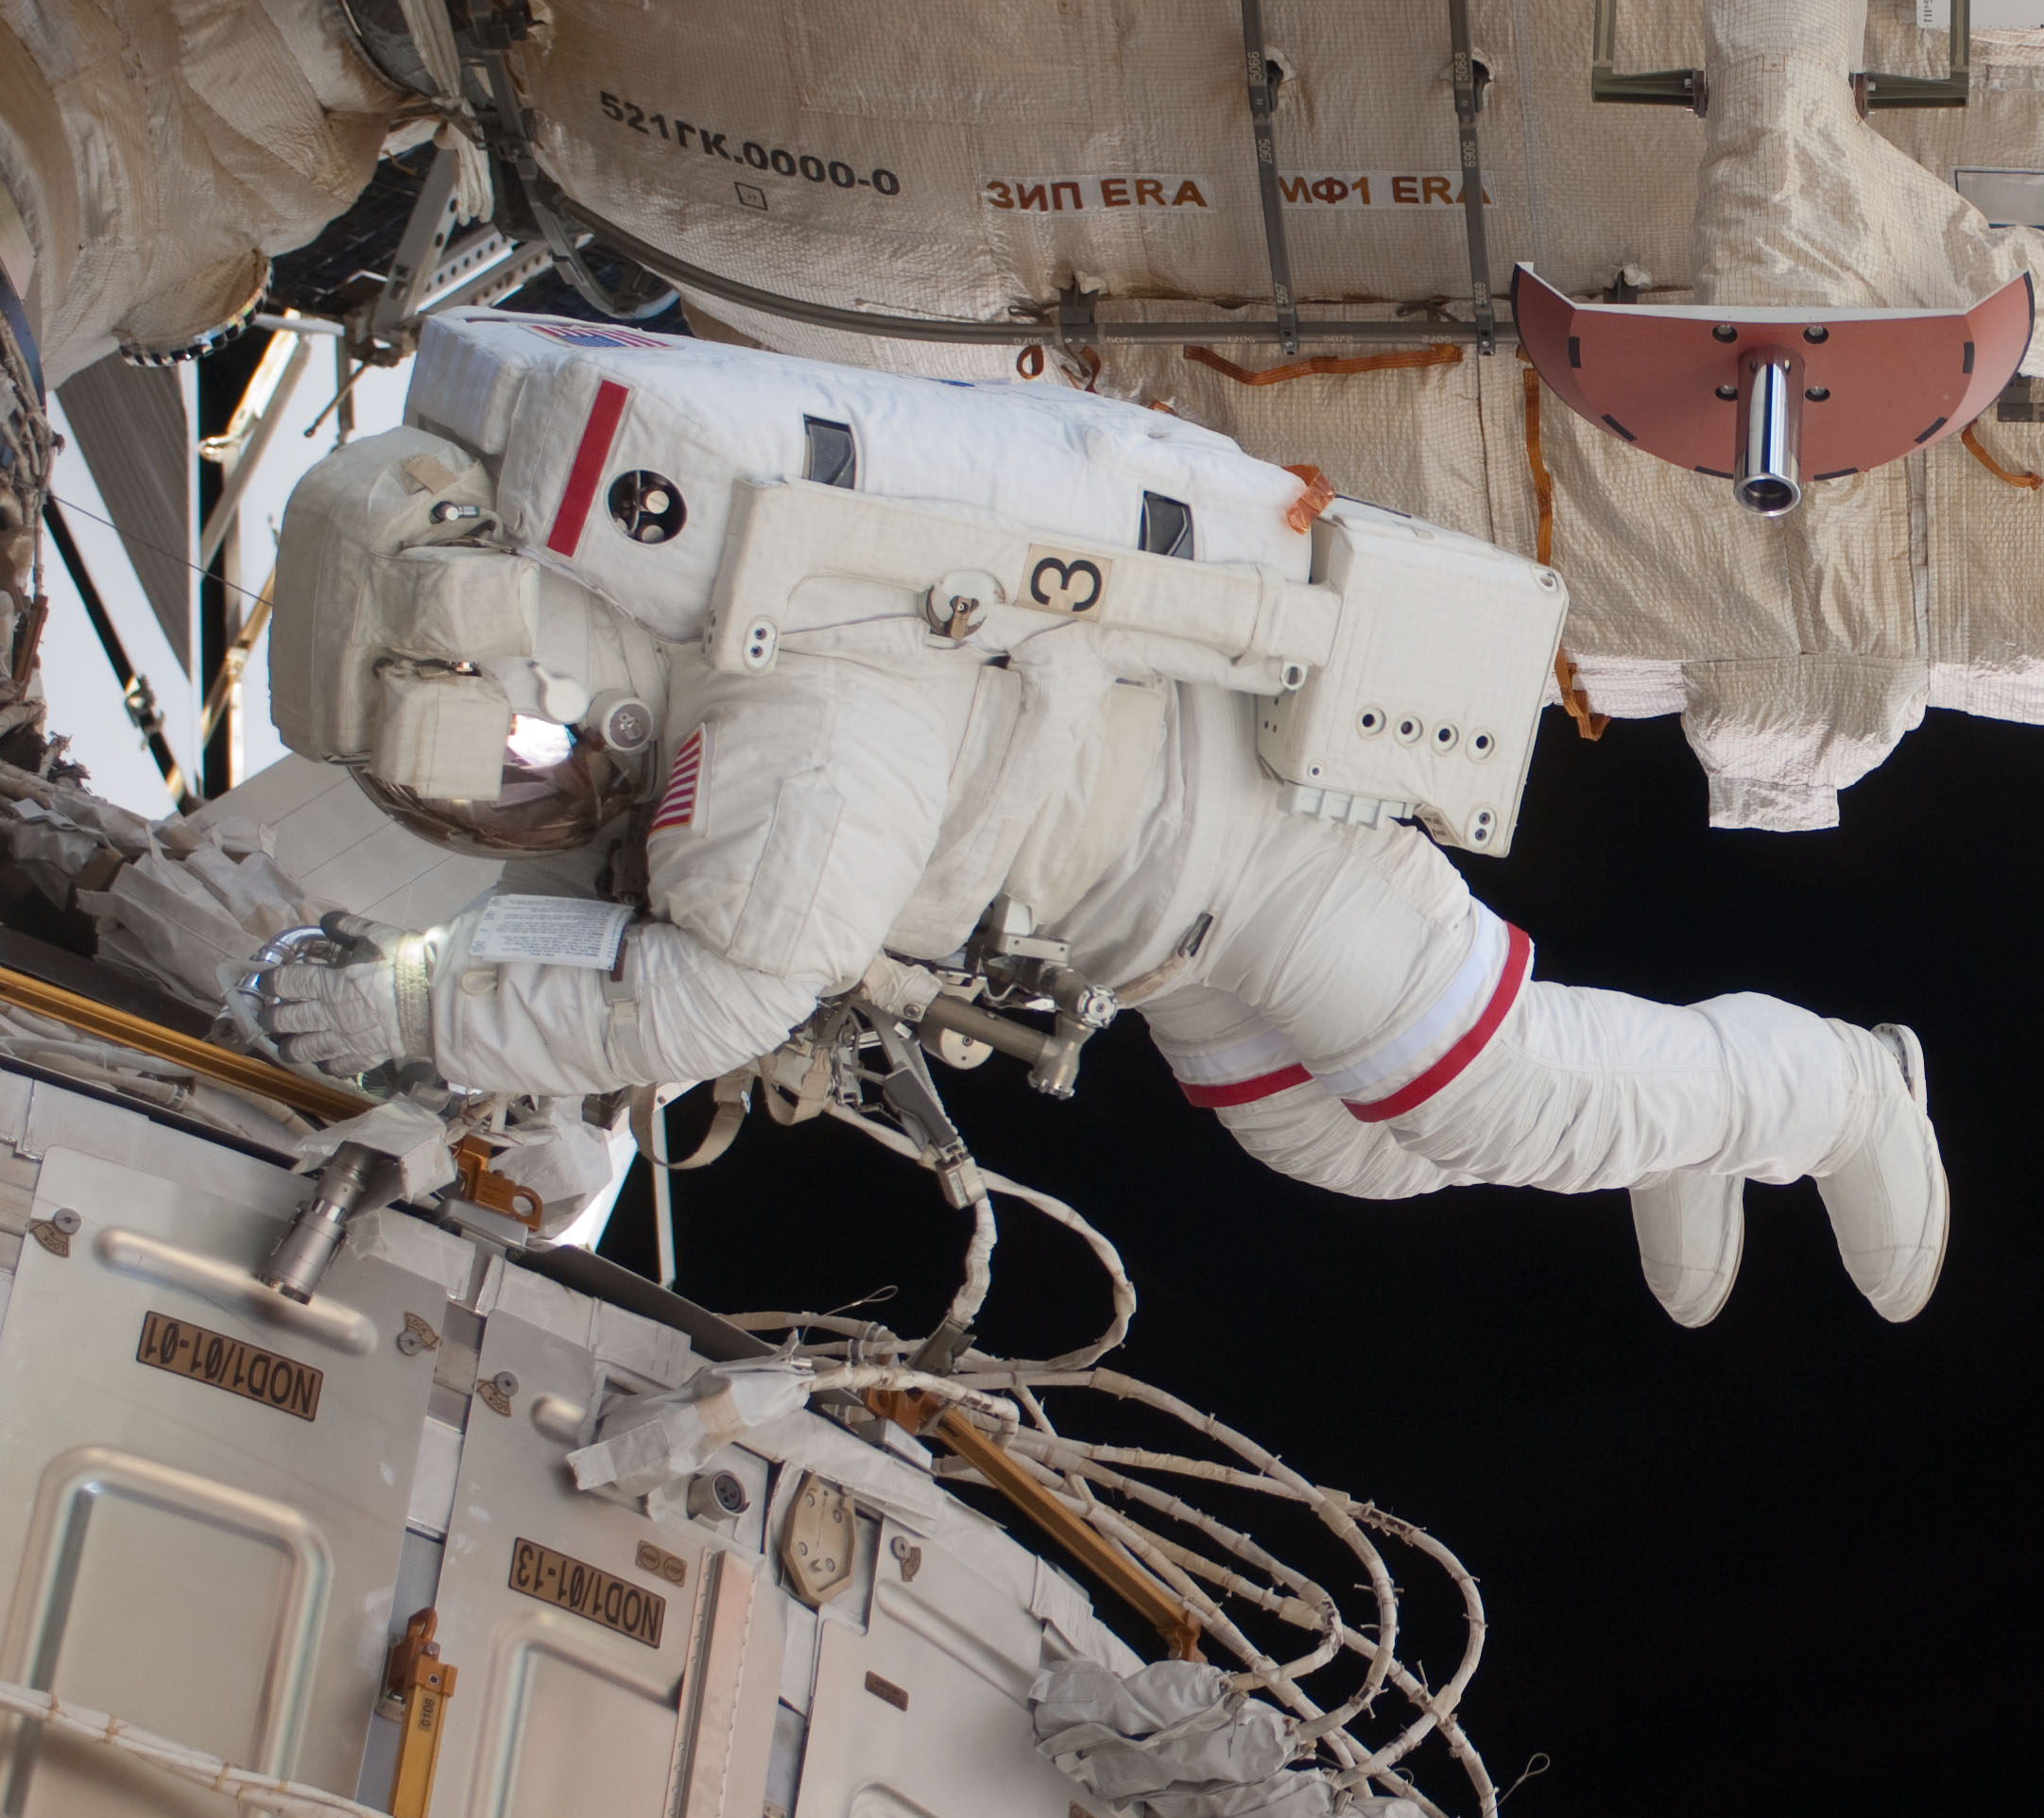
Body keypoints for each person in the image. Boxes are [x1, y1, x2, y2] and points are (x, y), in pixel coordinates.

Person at [254, 312, 1942, 1327]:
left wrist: (403, 995)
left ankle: (1835, 1090)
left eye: (514, 768)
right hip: (1139, 916)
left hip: (1261, 849)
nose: (533, 807)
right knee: (1347, 1150)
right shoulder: (701, 648)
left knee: (1489, 1096)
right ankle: (1685, 1120)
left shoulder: (797, 713)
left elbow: (718, 992)